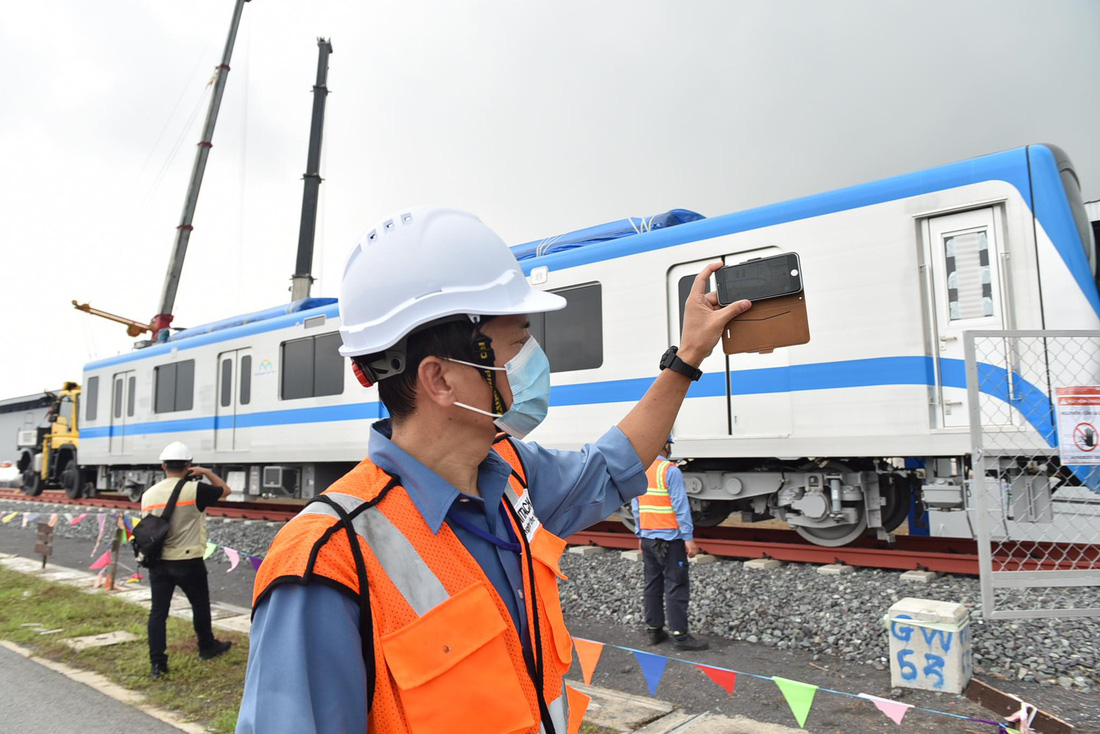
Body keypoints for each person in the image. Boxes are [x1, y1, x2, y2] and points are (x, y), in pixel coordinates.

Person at [236, 207, 750, 734]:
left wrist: (688, 356)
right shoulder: (324, 563)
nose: (534, 358)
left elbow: (610, 464)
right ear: (440, 379)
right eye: (517, 341)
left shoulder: (513, 475)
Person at [143, 441, 234, 679]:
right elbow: (225, 491)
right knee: (200, 605)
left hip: (159, 561)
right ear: (188, 466)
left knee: (158, 613)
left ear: (164, 466)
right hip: (189, 560)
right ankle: (207, 648)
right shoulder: (196, 490)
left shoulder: (148, 495)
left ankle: (157, 664)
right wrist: (205, 473)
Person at [631, 436, 707, 651]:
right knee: (676, 586)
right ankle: (680, 637)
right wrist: (688, 538)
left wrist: (640, 534)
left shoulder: (641, 471)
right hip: (670, 541)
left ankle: (654, 632)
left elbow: (636, 507)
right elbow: (680, 507)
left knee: (652, 585)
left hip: (648, 540)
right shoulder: (669, 471)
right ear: (664, 445)